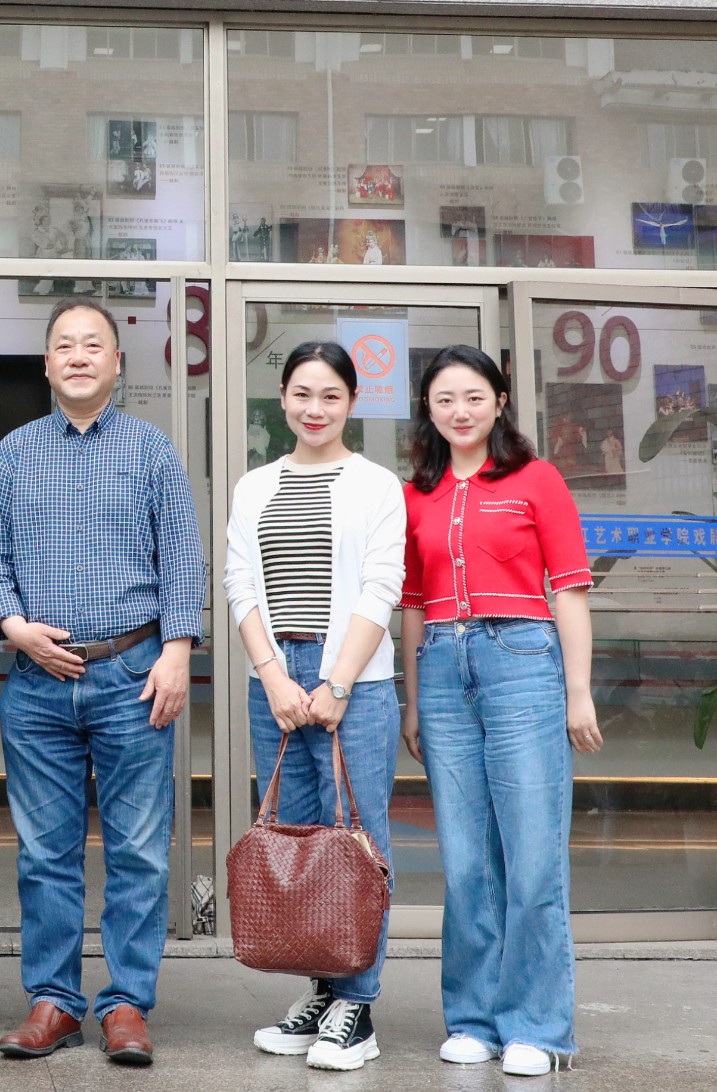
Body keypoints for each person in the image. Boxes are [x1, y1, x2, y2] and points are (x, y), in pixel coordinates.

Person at [0, 298, 204, 1067]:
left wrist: (177, 652)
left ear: (115, 362)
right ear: (47, 364)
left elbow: (183, 559)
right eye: (64, 346)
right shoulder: (13, 453)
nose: (78, 356)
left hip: (134, 677)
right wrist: (13, 627)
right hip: (36, 684)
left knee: (139, 851)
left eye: (92, 345)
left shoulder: (151, 450)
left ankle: (127, 1004)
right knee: (46, 854)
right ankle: (54, 1002)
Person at [399, 344, 601, 1078]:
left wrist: (577, 690)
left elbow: (569, 588)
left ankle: (537, 1027)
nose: (461, 411)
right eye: (445, 399)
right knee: (464, 861)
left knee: (533, 857)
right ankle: (474, 1019)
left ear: (500, 401)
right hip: (441, 668)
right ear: (428, 408)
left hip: (522, 661)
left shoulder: (536, 479)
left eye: (474, 397)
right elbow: (412, 604)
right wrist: (413, 701)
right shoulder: (415, 493)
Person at [223, 341, 405, 1072]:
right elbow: (240, 581)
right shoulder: (255, 485)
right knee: (300, 843)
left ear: (352, 402)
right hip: (275, 680)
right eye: (302, 393)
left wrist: (337, 683)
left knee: (356, 842)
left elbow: (381, 585)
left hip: (352, 682)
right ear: (282, 397)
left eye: (331, 395)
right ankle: (324, 992)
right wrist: (271, 675)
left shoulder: (376, 484)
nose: (315, 408)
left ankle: (358, 1006)